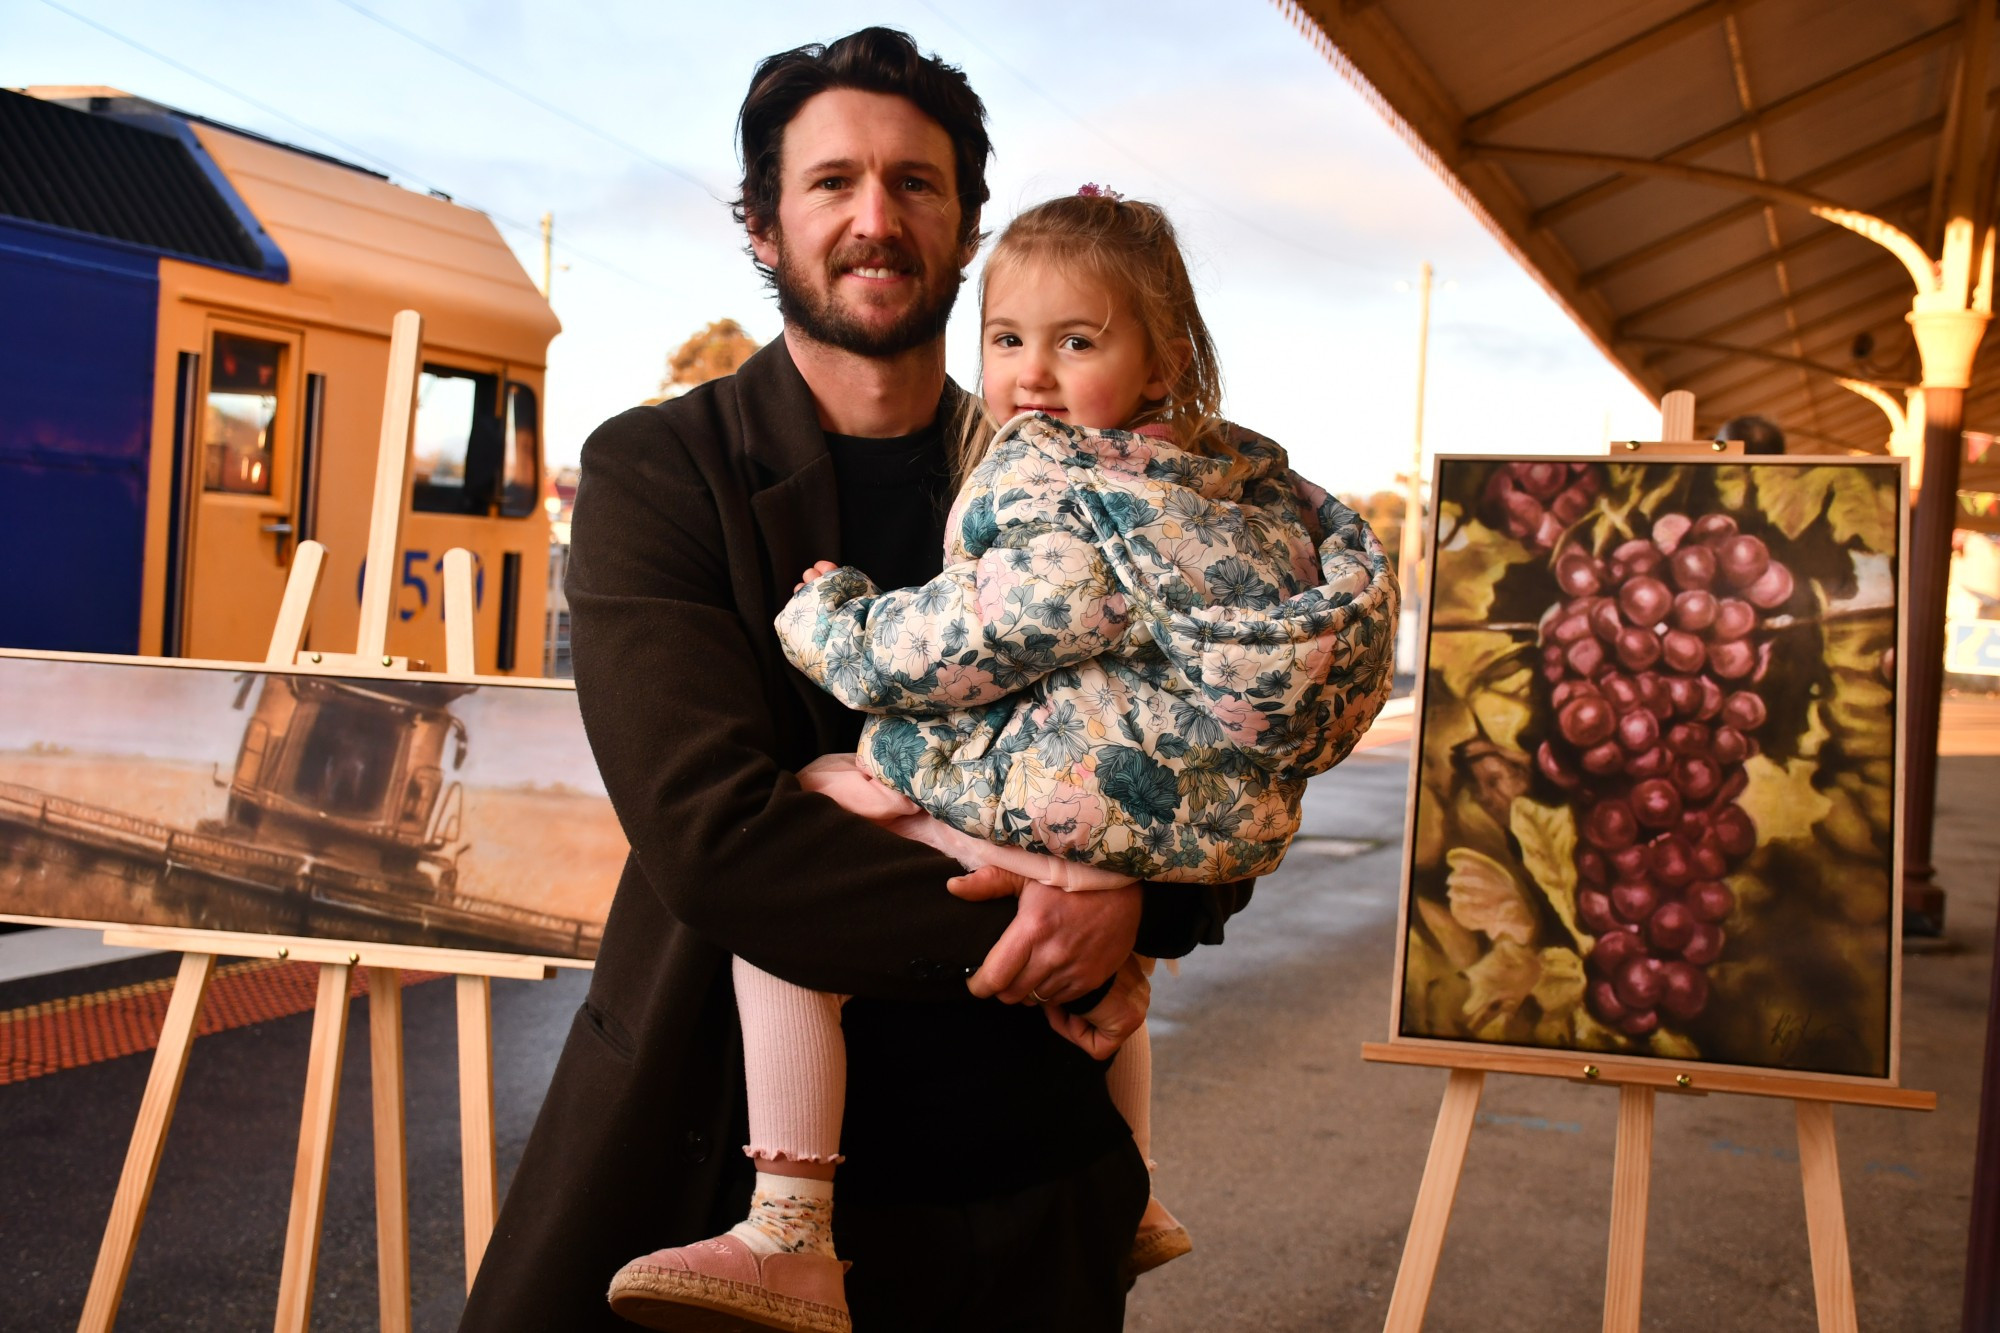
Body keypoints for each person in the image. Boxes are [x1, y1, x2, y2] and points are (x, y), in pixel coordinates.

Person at [457, 29, 1251, 1333]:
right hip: (726, 1175)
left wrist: (1144, 892)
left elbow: (1218, 749)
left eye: (915, 184)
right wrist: (1065, 919)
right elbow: (716, 835)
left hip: (1033, 1184)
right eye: (832, 183)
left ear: (970, 223)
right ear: (764, 225)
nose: (875, 218)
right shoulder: (665, 471)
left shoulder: (1104, 471)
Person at [604, 190, 1399, 1332]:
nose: (1030, 371)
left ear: (1162, 355)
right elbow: (704, 836)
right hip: (1144, 819)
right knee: (1107, 980)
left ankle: (786, 1222)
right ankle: (1138, 1187)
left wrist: (831, 621)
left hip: (1054, 863)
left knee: (822, 812)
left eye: (1074, 341)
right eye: (1010, 340)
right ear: (763, 219)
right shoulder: (1224, 486)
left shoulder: (1046, 474)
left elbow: (964, 640)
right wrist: (1103, 918)